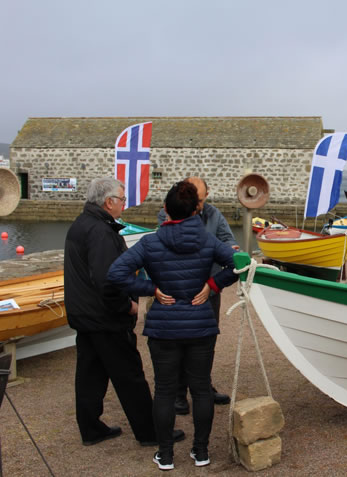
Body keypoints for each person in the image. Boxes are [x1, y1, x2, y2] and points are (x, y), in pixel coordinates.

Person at [108, 181, 239, 470]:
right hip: (200, 325)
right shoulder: (207, 240)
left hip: (164, 327)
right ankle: (201, 452)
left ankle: (165, 454)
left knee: (165, 390)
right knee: (202, 389)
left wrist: (150, 288)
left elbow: (116, 273)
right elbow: (238, 264)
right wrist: (213, 284)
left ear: (166, 209)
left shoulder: (151, 242)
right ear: (195, 210)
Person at [64, 177, 184, 447]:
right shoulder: (100, 232)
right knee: (129, 374)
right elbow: (109, 279)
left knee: (90, 373)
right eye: (121, 199)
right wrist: (126, 306)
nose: (124, 204)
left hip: (84, 314)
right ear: (109, 202)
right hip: (105, 316)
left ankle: (91, 428)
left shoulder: (81, 224)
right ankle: (150, 432)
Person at [157, 176, 238, 413]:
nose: (199, 206)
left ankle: (202, 385)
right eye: (196, 201)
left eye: (201, 200)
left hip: (209, 289)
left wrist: (226, 250)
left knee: (207, 341)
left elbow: (229, 240)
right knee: (179, 343)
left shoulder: (213, 214)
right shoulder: (169, 213)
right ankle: (179, 393)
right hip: (179, 290)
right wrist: (216, 250)